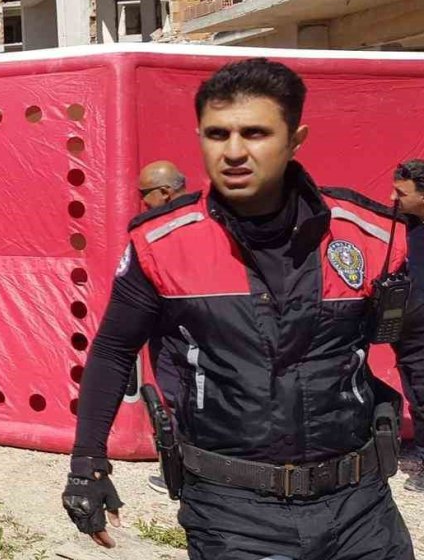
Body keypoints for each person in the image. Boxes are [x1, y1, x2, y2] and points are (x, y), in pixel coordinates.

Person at [62, 58, 424, 559]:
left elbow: (416, 346)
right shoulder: (161, 245)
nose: (233, 151)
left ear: (295, 139)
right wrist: (87, 463)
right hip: (232, 513)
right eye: (217, 134)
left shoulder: (371, 236)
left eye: (255, 133)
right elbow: (112, 350)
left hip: (361, 507)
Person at [137, 161, 189, 495]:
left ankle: (182, 473)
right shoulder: (202, 221)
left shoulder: (167, 231)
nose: (143, 203)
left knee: (178, 398)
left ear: (165, 192)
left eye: (145, 194)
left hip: (175, 331)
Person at [392, 159, 424, 491]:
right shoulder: (403, 226)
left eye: (401, 193)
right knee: (417, 393)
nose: (393, 197)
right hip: (409, 331)